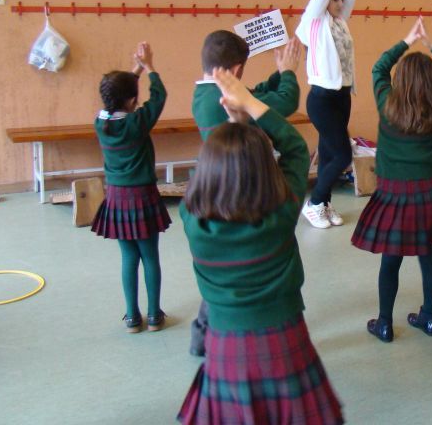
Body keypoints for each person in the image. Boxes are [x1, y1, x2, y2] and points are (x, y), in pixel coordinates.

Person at [179, 69, 343, 425]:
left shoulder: (193, 221)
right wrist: (250, 107)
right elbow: (296, 147)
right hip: (283, 339)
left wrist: (234, 123)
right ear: (267, 170)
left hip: (226, 345)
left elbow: (202, 179)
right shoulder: (282, 210)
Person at [189, 31, 301, 357]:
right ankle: (204, 332)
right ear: (237, 70)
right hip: (252, 196)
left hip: (221, 194)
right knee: (256, 266)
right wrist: (288, 73)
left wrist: (271, 79)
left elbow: (256, 94)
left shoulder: (203, 94)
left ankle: (200, 337)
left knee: (224, 275)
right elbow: (284, 105)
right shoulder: (281, 212)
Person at [351, 18, 432, 342]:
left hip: (393, 195)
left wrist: (408, 40)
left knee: (391, 261)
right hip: (429, 195)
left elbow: (378, 69)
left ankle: (384, 323)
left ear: (401, 79)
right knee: (429, 259)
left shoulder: (388, 104)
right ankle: (429, 318)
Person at [91, 42, 170, 333]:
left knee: (128, 258)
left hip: (116, 198)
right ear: (133, 100)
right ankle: (154, 316)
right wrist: (149, 67)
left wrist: (135, 69)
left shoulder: (101, 122)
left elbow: (118, 97)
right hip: (143, 196)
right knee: (150, 257)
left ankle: (132, 317)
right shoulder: (137, 122)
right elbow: (159, 96)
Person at [295, 0, 357, 229]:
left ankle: (325, 203)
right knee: (343, 155)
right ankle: (315, 202)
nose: (339, 2)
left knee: (330, 153)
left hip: (342, 96)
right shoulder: (314, 21)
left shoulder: (340, 22)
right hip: (322, 98)